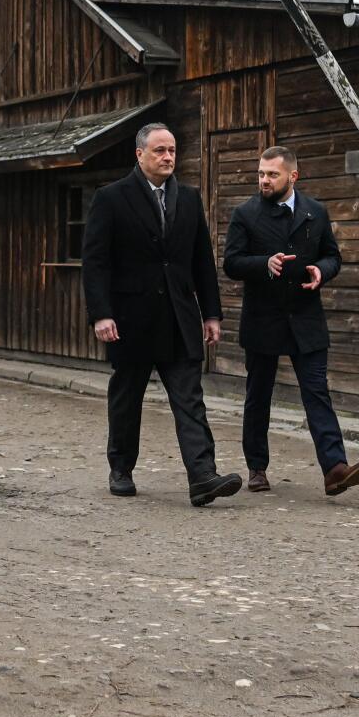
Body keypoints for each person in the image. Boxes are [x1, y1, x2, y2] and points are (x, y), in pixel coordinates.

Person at [81, 122, 243, 507]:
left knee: (190, 399)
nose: (168, 157)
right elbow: (96, 262)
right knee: (127, 398)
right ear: (140, 154)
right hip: (130, 319)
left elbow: (202, 260)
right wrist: (101, 314)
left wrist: (212, 314)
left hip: (179, 317)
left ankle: (202, 476)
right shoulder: (111, 198)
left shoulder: (188, 198)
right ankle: (121, 468)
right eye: (160, 151)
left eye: (172, 150)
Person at [222, 146, 359, 497]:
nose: (264, 180)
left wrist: (323, 270)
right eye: (260, 173)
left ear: (293, 176)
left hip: (306, 319)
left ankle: (335, 469)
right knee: (258, 395)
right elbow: (231, 262)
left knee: (317, 392)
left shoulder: (315, 213)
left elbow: (332, 256)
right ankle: (257, 468)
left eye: (271, 174)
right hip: (263, 319)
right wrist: (264, 264)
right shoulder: (245, 214)